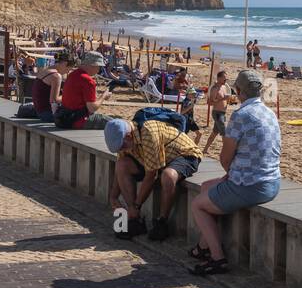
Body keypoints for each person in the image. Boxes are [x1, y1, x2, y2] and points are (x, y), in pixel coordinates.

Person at [188, 69, 281, 275]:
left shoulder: (241, 115)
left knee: (198, 206)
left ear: (238, 91)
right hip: (272, 182)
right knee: (206, 187)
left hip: (250, 186)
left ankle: (217, 258)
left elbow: (225, 157)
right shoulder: (269, 112)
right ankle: (202, 248)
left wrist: (230, 173)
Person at [105, 113, 203, 242]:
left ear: (128, 136)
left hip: (182, 155)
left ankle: (162, 222)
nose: (121, 150)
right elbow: (120, 169)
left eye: (122, 147)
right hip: (156, 159)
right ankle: (135, 219)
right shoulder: (125, 138)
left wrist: (137, 205)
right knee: (122, 164)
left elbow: (151, 175)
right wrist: (113, 197)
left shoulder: (148, 133)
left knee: (168, 176)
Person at [56, 51, 110, 129]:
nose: (98, 70)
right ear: (93, 65)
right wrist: (104, 96)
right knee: (115, 124)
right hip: (78, 120)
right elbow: (92, 108)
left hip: (65, 118)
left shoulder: (72, 75)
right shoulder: (87, 80)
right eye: (99, 67)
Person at [32, 51, 73, 122]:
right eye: (68, 69)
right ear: (65, 64)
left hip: (39, 111)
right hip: (47, 114)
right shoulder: (56, 76)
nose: (67, 72)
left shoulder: (46, 70)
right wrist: (70, 94)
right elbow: (54, 100)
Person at [203, 69, 232, 155]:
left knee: (215, 132)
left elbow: (224, 99)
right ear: (219, 78)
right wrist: (223, 99)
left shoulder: (224, 87)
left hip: (222, 112)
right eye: (224, 78)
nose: (226, 80)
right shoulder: (215, 89)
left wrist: (228, 100)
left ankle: (205, 149)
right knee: (224, 132)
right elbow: (210, 102)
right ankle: (226, 151)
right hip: (217, 113)